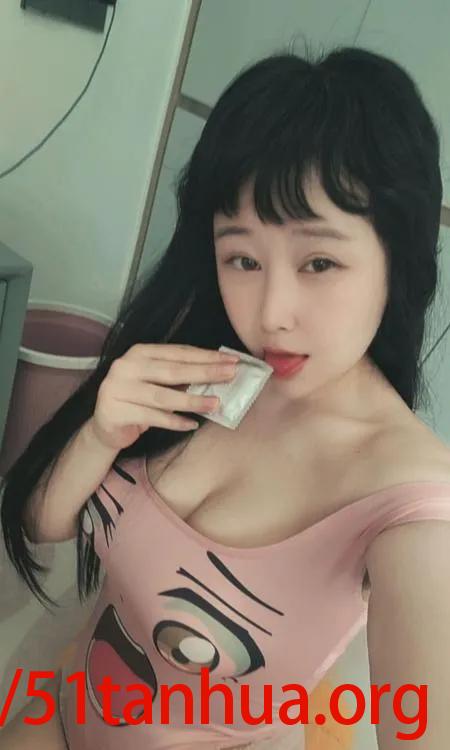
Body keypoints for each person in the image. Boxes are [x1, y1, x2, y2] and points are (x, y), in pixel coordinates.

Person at [1, 42, 450, 750]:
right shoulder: (205, 361)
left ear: (400, 261)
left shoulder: (413, 511)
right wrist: (98, 433)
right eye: (242, 257)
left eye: (319, 261)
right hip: (52, 710)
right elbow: (42, 524)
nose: (271, 313)